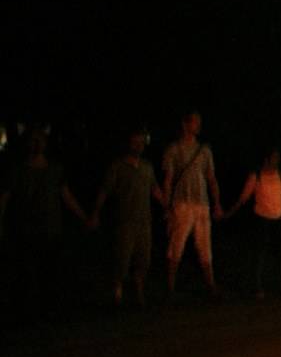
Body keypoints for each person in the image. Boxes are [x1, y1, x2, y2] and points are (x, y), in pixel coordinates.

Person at [3, 129, 88, 308]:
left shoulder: (55, 169)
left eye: (40, 140)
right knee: (26, 271)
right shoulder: (18, 170)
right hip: (26, 229)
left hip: (50, 229)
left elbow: (66, 196)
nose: (37, 144)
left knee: (48, 270)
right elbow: (5, 197)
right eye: (33, 140)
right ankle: (27, 306)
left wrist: (84, 217)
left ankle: (46, 306)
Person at [89, 127, 165, 306]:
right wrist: (95, 213)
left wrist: (166, 206)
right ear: (128, 144)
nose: (139, 146)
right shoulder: (118, 166)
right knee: (122, 259)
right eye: (135, 142)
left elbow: (154, 188)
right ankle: (117, 293)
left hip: (144, 221)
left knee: (143, 258)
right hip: (124, 221)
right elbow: (105, 191)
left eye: (141, 143)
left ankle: (139, 293)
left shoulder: (147, 166)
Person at [161, 110, 224, 297]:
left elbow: (211, 178)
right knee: (176, 245)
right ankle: (170, 286)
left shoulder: (204, 150)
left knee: (205, 245)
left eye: (198, 121)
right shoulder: (174, 149)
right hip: (182, 202)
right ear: (185, 124)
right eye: (195, 122)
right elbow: (168, 179)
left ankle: (211, 285)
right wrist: (167, 206)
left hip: (202, 202)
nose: (198, 125)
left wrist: (216, 203)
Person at [227, 148, 281, 299]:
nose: (277, 161)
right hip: (262, 218)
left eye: (277, 157)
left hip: (280, 217)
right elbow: (243, 198)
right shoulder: (256, 175)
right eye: (274, 157)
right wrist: (228, 213)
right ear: (266, 159)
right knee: (259, 252)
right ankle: (257, 286)